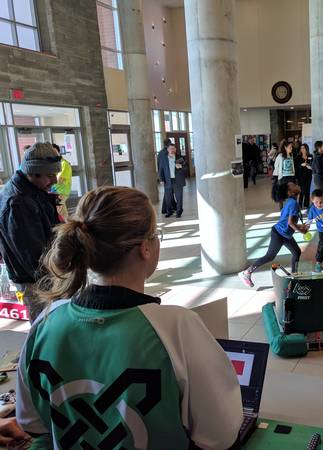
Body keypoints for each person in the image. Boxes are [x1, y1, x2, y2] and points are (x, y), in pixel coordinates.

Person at [17, 186, 243, 450]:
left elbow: (31, 423)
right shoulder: (177, 327)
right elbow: (221, 436)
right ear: (145, 248)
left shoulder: (46, 322)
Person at [0, 143, 61, 321]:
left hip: (45, 272)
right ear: (32, 172)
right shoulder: (17, 203)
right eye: (50, 175)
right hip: (36, 280)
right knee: (45, 325)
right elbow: (32, 256)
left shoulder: (33, 190)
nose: (55, 181)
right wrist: (56, 281)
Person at [239, 181, 308, 287]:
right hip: (279, 234)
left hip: (285, 234)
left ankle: (294, 276)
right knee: (270, 256)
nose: (296, 184)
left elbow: (288, 221)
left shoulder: (291, 201)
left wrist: (299, 227)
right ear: (290, 192)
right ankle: (246, 273)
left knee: (296, 252)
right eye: (293, 185)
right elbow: (290, 222)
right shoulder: (293, 203)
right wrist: (301, 230)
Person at [158, 143, 186, 218]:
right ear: (167, 150)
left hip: (178, 181)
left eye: (174, 148)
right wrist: (161, 179)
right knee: (168, 198)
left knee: (179, 198)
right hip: (167, 181)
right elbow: (160, 170)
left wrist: (181, 167)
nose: (172, 150)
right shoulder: (163, 158)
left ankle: (179, 212)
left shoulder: (180, 157)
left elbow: (185, 168)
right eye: (171, 148)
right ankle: (169, 211)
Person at [272, 140, 296, 209]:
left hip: (291, 177)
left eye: (292, 147)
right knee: (283, 194)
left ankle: (290, 207)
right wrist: (276, 177)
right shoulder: (280, 156)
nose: (291, 148)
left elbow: (292, 166)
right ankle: (282, 208)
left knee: (291, 194)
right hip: (283, 178)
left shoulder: (291, 155)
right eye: (290, 147)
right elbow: (276, 166)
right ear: (285, 147)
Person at [50, 143, 72, 219]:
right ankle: (68, 228)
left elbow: (60, 180)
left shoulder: (64, 164)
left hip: (60, 192)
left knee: (59, 214)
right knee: (62, 213)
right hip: (56, 192)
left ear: (58, 152)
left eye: (54, 152)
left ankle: (66, 229)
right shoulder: (55, 164)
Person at [158, 139, 175, 216]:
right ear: (168, 144)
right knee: (168, 194)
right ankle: (165, 209)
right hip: (168, 176)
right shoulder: (166, 152)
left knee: (169, 193)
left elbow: (159, 166)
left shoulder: (160, 152)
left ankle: (172, 206)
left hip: (164, 175)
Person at [295, 143, 313, 208]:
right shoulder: (298, 157)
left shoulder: (310, 156)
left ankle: (306, 204)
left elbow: (312, 164)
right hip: (301, 175)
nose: (302, 149)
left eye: (303, 148)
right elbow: (296, 166)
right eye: (301, 148)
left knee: (307, 190)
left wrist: (309, 165)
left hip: (308, 175)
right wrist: (301, 165)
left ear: (306, 149)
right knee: (302, 190)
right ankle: (300, 204)